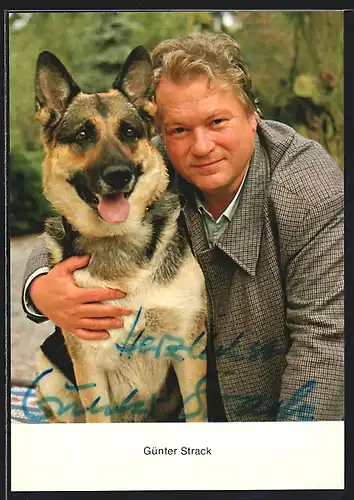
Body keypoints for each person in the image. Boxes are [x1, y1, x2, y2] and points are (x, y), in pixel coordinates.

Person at [22, 32, 344, 422]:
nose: (202, 146)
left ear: (253, 115)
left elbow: (325, 344)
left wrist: (288, 458)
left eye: (217, 121)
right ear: (158, 132)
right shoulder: (143, 164)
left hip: (266, 418)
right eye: (179, 129)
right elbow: (71, 217)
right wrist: (39, 285)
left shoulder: (310, 191)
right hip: (171, 414)